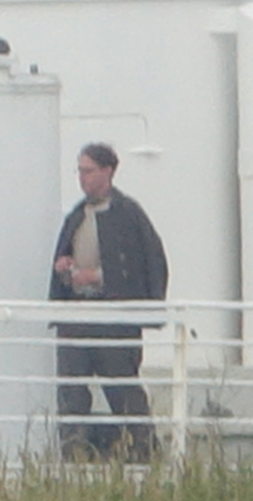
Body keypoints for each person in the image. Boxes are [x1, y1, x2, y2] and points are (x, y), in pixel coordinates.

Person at [49, 142, 168, 460]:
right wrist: (64, 269)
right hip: (77, 314)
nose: (82, 178)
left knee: (122, 388)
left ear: (108, 171)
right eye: (80, 171)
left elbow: (144, 264)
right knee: (71, 391)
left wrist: (99, 277)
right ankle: (73, 455)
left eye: (88, 170)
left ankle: (144, 453)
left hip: (113, 318)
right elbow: (68, 256)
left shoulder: (128, 214)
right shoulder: (77, 215)